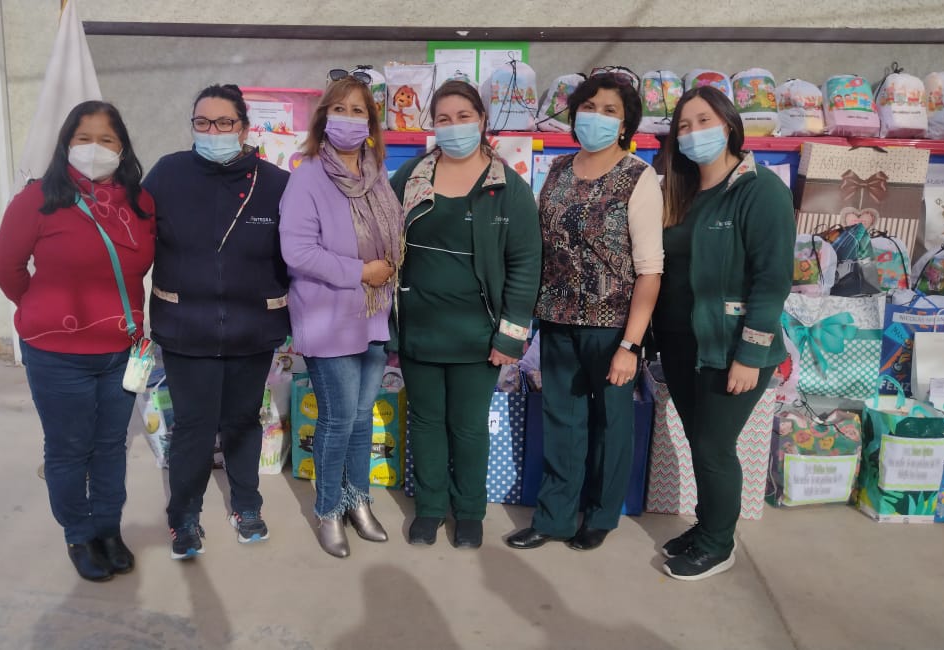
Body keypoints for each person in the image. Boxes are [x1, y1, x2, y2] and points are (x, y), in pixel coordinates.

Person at [0, 101, 155, 582]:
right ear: (66, 143)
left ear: (122, 148)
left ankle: (107, 529)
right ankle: (78, 535)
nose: (94, 148)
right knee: (69, 449)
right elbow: (5, 266)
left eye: (106, 139)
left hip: (121, 351)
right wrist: (41, 308)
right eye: (84, 138)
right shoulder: (38, 199)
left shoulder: (141, 203)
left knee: (110, 447)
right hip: (57, 356)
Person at [505, 73, 664, 552]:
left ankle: (600, 516)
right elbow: (538, 244)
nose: (597, 117)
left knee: (612, 424)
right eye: (589, 107)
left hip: (612, 328)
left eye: (610, 110)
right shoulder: (557, 170)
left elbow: (650, 271)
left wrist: (631, 345)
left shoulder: (638, 177)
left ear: (625, 124)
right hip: (556, 321)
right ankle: (553, 517)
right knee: (562, 422)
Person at [389, 80, 542, 549]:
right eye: (443, 118)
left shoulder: (507, 187)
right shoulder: (411, 176)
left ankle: (470, 511)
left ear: (481, 120)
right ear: (432, 125)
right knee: (426, 422)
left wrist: (510, 337)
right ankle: (431, 508)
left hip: (479, 335)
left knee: (469, 426)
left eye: (463, 117)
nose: (453, 127)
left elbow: (525, 265)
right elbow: (382, 237)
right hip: (419, 329)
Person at [652, 86, 794, 581]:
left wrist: (751, 353)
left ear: (730, 125)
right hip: (680, 344)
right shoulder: (680, 190)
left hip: (730, 347)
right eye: (683, 126)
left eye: (704, 121)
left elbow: (772, 279)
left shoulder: (760, 190)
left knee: (714, 446)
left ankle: (718, 544)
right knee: (700, 441)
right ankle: (707, 525)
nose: (693, 133)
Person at [143, 84, 291, 559]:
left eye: (224, 122)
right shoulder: (167, 174)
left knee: (244, 420)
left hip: (254, 328)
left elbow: (297, 251)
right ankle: (183, 517)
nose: (213, 131)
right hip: (185, 327)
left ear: (243, 128)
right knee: (193, 425)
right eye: (202, 122)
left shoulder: (275, 183)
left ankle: (247, 505)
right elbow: (134, 237)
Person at [279, 77, 404, 558]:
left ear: (370, 122)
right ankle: (329, 508)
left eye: (358, 110)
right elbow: (297, 251)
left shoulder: (376, 173)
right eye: (339, 109)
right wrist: (362, 272)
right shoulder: (308, 176)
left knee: (361, 417)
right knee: (337, 420)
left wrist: (384, 271)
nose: (348, 118)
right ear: (323, 119)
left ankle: (358, 501)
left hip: (372, 316)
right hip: (328, 319)